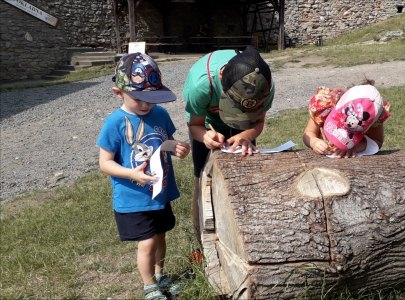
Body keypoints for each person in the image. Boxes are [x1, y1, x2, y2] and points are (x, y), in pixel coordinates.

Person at [97, 52, 191, 300]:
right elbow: (105, 163)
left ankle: (160, 275)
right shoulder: (114, 122)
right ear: (119, 93)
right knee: (147, 241)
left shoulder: (159, 114)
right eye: (139, 99)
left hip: (160, 191)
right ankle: (149, 285)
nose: (146, 105)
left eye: (152, 99)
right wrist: (131, 174)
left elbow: (166, 142)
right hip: (134, 196)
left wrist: (178, 147)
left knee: (161, 235)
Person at [182, 46, 275, 242]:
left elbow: (258, 123)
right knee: (202, 182)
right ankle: (201, 242)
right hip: (207, 125)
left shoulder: (265, 86)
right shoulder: (201, 85)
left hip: (244, 127)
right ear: (222, 77)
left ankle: (247, 236)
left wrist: (246, 135)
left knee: (246, 178)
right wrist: (205, 137)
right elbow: (195, 126)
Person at [303, 79, 390, 158]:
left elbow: (377, 142)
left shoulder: (373, 115)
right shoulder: (326, 107)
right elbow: (309, 133)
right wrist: (314, 142)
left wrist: (356, 147)